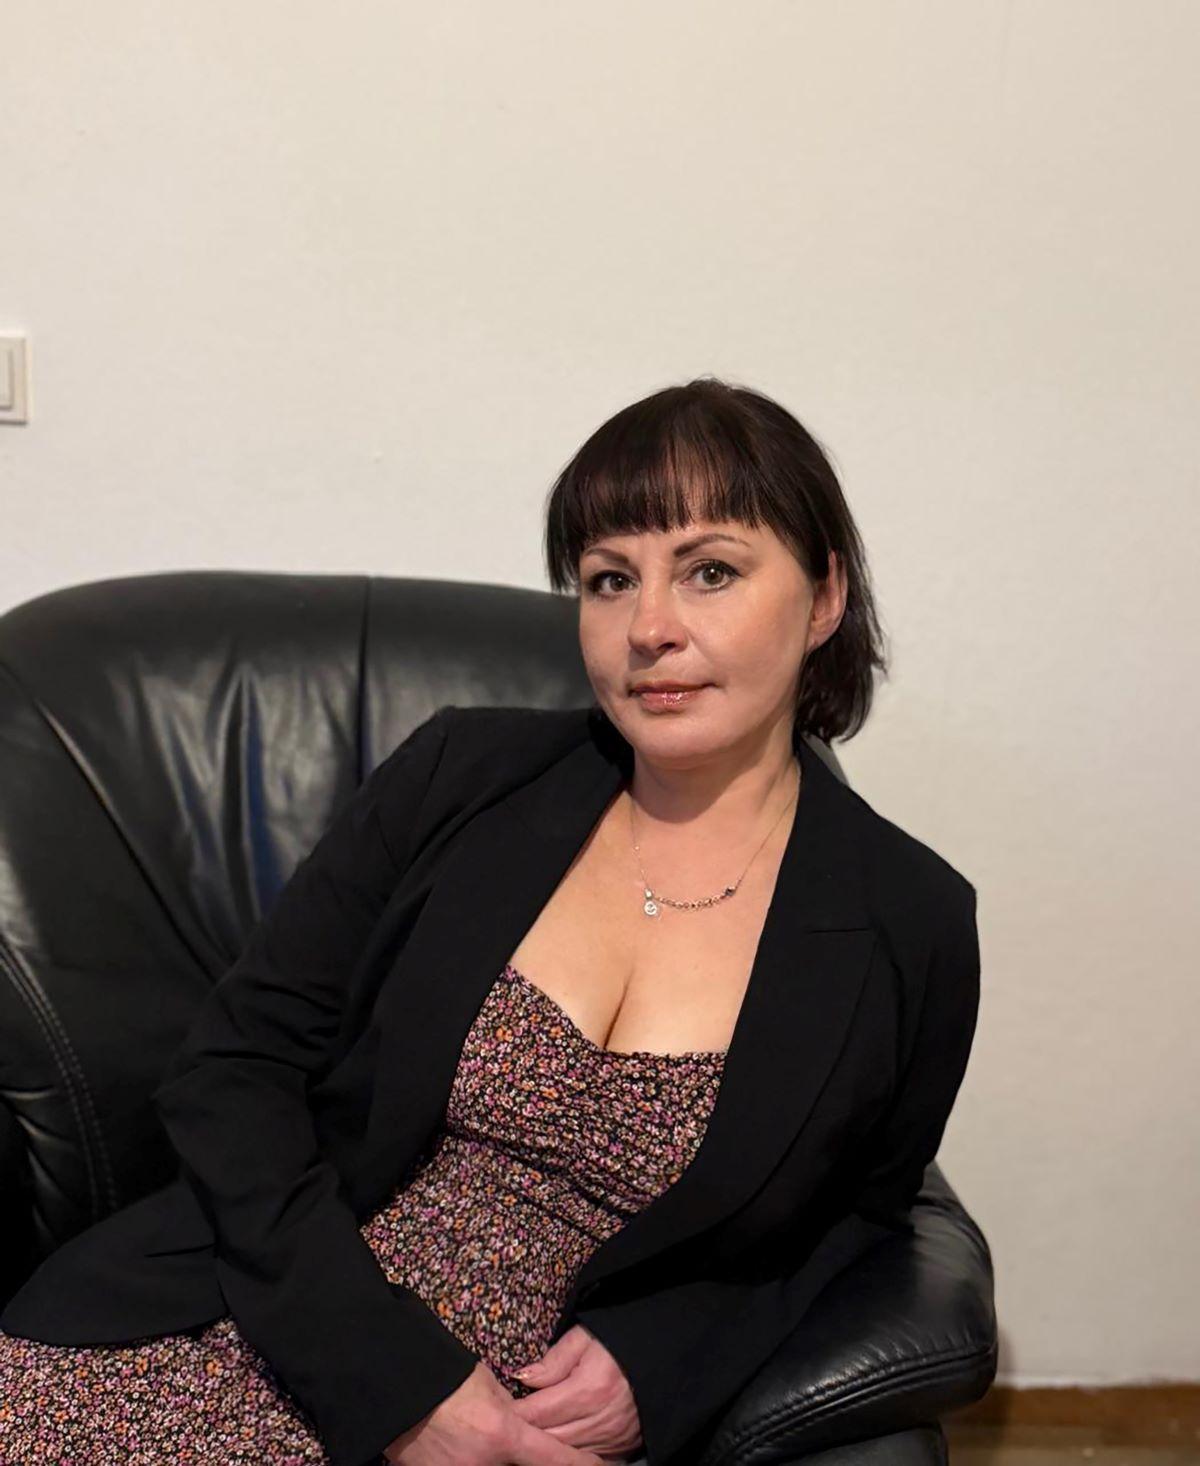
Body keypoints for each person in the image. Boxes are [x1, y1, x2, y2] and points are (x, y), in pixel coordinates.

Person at [0, 376, 981, 1466]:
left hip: (536, 1421)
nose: (651, 628)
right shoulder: (459, 777)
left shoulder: (912, 921)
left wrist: (669, 1352)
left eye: (711, 571)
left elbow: (861, 1215)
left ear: (825, 595)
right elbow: (232, 1069)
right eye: (610, 579)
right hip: (273, 1315)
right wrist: (391, 1380)